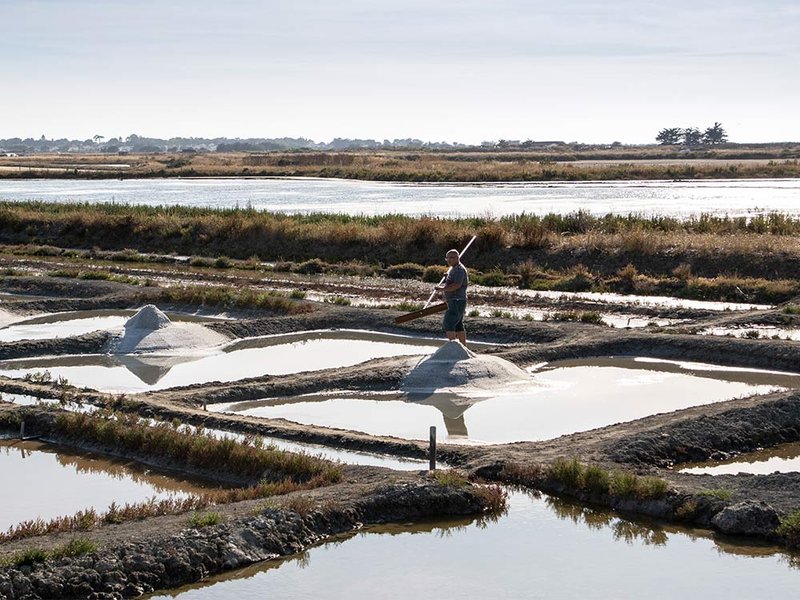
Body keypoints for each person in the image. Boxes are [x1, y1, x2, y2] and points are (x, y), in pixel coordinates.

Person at [435, 248, 468, 344]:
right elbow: (451, 282)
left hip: (456, 300)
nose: (449, 260)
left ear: (457, 258)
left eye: (451, 258)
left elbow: (457, 285)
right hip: (455, 300)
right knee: (458, 325)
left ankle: (454, 348)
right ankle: (463, 348)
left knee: (449, 323)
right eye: (447, 258)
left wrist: (442, 289)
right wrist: (447, 277)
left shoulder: (459, 270)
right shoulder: (453, 269)